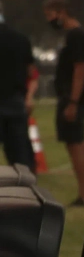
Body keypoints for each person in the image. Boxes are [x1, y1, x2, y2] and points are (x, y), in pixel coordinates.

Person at [42, 0, 84, 205]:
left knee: (76, 144)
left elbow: (80, 68)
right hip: (70, 98)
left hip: (73, 99)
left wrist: (73, 101)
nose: (49, 20)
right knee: (73, 145)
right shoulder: (73, 36)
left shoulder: (76, 36)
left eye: (50, 15)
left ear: (61, 12)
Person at [0, 9, 34, 170]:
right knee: (20, 157)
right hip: (15, 100)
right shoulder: (20, 39)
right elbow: (30, 71)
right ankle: (25, 190)